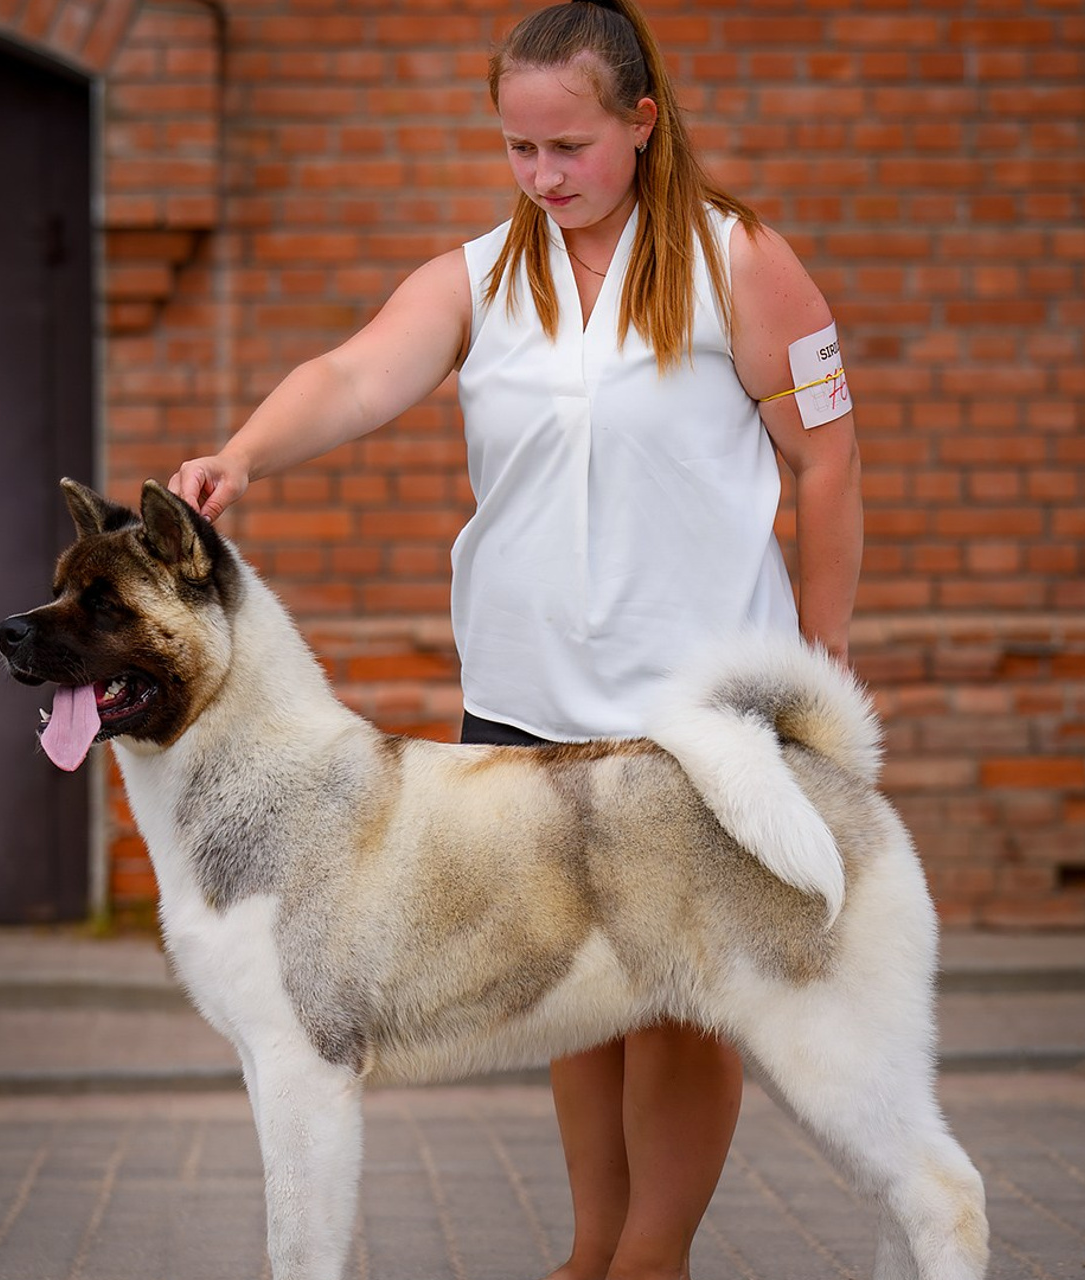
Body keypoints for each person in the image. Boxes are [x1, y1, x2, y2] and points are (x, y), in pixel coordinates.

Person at [170, 2, 863, 1276]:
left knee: (680, 1005)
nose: (542, 177)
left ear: (641, 125)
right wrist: (246, 452)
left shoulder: (740, 261)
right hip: (528, 709)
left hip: (696, 716)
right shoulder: (480, 277)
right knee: (573, 990)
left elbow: (823, 467)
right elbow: (356, 373)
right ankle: (590, 1244)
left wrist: (817, 677)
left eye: (568, 147)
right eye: (517, 150)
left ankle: (652, 1255)